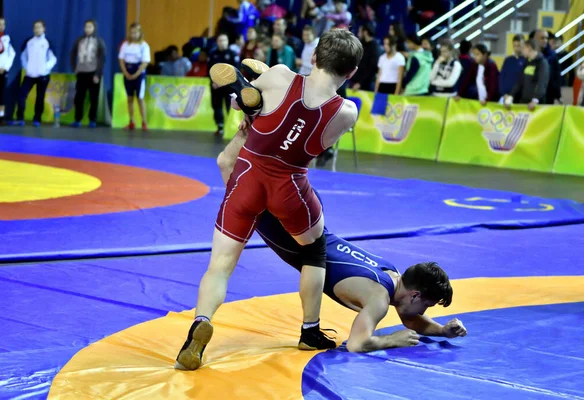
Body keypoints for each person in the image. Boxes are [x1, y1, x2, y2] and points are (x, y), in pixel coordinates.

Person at [175, 29, 363, 371]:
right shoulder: (346, 111)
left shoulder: (278, 75)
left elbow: (244, 108)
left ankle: (199, 326)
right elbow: (315, 145)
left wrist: (256, 92)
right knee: (314, 250)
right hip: (289, 186)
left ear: (313, 58)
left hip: (246, 177)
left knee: (219, 267)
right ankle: (310, 330)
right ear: (351, 73)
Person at [215, 130, 467, 351]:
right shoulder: (378, 298)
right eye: (426, 306)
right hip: (292, 237)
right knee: (231, 169)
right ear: (414, 295)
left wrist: (442, 330)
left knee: (248, 171)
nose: (424, 313)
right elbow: (357, 344)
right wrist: (391, 340)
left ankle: (255, 125)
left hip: (310, 224)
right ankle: (260, 121)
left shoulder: (392, 273)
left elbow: (410, 317)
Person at [14, 20, 57, 127]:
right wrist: (27, 67)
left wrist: (45, 68)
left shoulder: (47, 42)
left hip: (43, 75)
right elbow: (23, 56)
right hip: (30, 75)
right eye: (35, 27)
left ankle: (37, 119)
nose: (37, 29)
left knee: (40, 97)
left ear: (44, 29)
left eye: (39, 27)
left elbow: (53, 59)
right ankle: (20, 118)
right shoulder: (29, 42)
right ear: (33, 29)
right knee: (21, 95)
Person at [70, 19, 106, 128]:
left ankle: (92, 120)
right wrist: (74, 68)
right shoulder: (79, 40)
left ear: (94, 28)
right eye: (86, 27)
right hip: (81, 72)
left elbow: (102, 58)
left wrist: (98, 74)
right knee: (79, 97)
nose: (87, 29)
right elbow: (72, 54)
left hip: (93, 73)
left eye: (90, 27)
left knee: (93, 98)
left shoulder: (99, 41)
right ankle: (77, 119)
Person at [118, 23, 150, 131]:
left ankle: (144, 122)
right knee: (130, 98)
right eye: (131, 32)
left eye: (136, 32)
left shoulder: (144, 45)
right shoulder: (125, 45)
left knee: (140, 98)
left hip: (139, 72)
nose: (133, 35)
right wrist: (126, 72)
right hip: (128, 70)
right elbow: (121, 60)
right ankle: (131, 121)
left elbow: (145, 62)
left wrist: (136, 74)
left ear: (140, 33)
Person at [504, 39, 549, 112]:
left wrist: (535, 100)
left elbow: (542, 83)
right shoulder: (527, 62)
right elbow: (520, 82)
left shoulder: (542, 63)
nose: (522, 51)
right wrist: (511, 96)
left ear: (530, 48)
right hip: (524, 102)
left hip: (536, 106)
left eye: (524, 48)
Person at [208, 33, 240, 136]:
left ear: (228, 42)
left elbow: (235, 71)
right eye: (220, 40)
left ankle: (232, 127)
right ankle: (220, 126)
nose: (222, 42)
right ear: (217, 42)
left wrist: (224, 82)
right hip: (216, 86)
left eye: (224, 40)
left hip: (229, 86)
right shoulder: (213, 54)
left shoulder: (232, 54)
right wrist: (214, 82)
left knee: (230, 106)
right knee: (216, 106)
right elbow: (209, 69)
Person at [532, 29, 561, 104]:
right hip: (530, 95)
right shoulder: (528, 54)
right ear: (535, 39)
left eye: (546, 38)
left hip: (548, 95)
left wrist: (557, 95)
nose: (545, 40)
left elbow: (556, 76)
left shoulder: (553, 56)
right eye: (542, 38)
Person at [350, 22, 381, 91]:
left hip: (365, 85)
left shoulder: (374, 48)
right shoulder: (361, 44)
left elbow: (371, 69)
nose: (358, 33)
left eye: (360, 31)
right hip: (353, 81)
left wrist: (360, 83)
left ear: (365, 32)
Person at [499, 34, 526, 99]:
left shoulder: (526, 60)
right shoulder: (508, 60)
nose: (516, 48)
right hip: (507, 96)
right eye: (514, 46)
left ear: (524, 45)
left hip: (521, 96)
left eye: (519, 46)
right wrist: (504, 93)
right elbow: (502, 77)